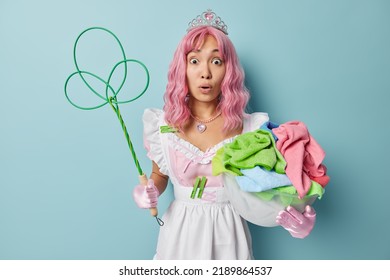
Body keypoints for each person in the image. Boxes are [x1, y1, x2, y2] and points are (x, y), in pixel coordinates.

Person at [132, 9, 316, 260]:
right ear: (182, 68)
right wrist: (149, 189)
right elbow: (159, 174)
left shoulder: (252, 129)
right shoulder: (163, 125)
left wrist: (298, 219)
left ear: (228, 71)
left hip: (230, 238)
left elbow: (272, 188)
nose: (205, 72)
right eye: (194, 60)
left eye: (216, 61)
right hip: (178, 238)